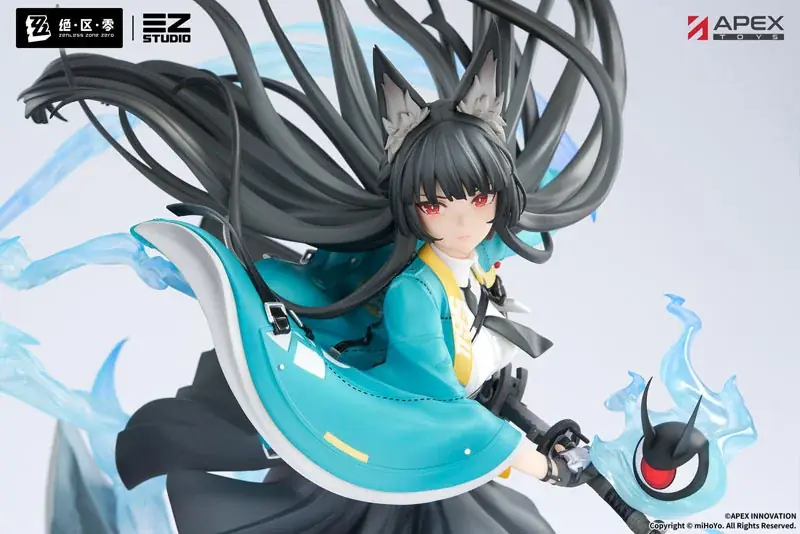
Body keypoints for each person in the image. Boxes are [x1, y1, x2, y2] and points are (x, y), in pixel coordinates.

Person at [18, 0, 626, 531]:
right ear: (413, 205)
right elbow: (438, 407)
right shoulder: (414, 294)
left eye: (481, 198)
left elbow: (516, 240)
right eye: (436, 204)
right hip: (389, 461)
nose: (463, 220)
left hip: (447, 459)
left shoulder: (481, 251)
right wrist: (541, 464)